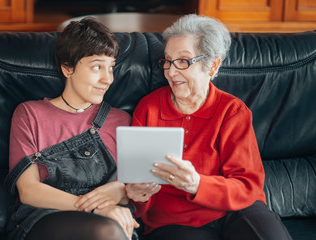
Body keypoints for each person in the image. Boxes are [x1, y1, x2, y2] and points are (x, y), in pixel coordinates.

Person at [125, 14, 292, 240]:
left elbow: (248, 186)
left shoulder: (232, 111)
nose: (171, 72)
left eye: (183, 61)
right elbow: (140, 191)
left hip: (235, 211)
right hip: (175, 222)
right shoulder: (149, 109)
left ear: (212, 65)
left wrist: (198, 184)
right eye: (167, 61)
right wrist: (139, 195)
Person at [5, 18, 139, 240]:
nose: (108, 79)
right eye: (97, 67)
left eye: (111, 68)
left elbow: (134, 190)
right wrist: (95, 207)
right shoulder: (29, 114)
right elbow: (28, 190)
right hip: (43, 219)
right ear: (67, 68)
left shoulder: (123, 120)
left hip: (111, 221)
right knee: (105, 231)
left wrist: (123, 192)